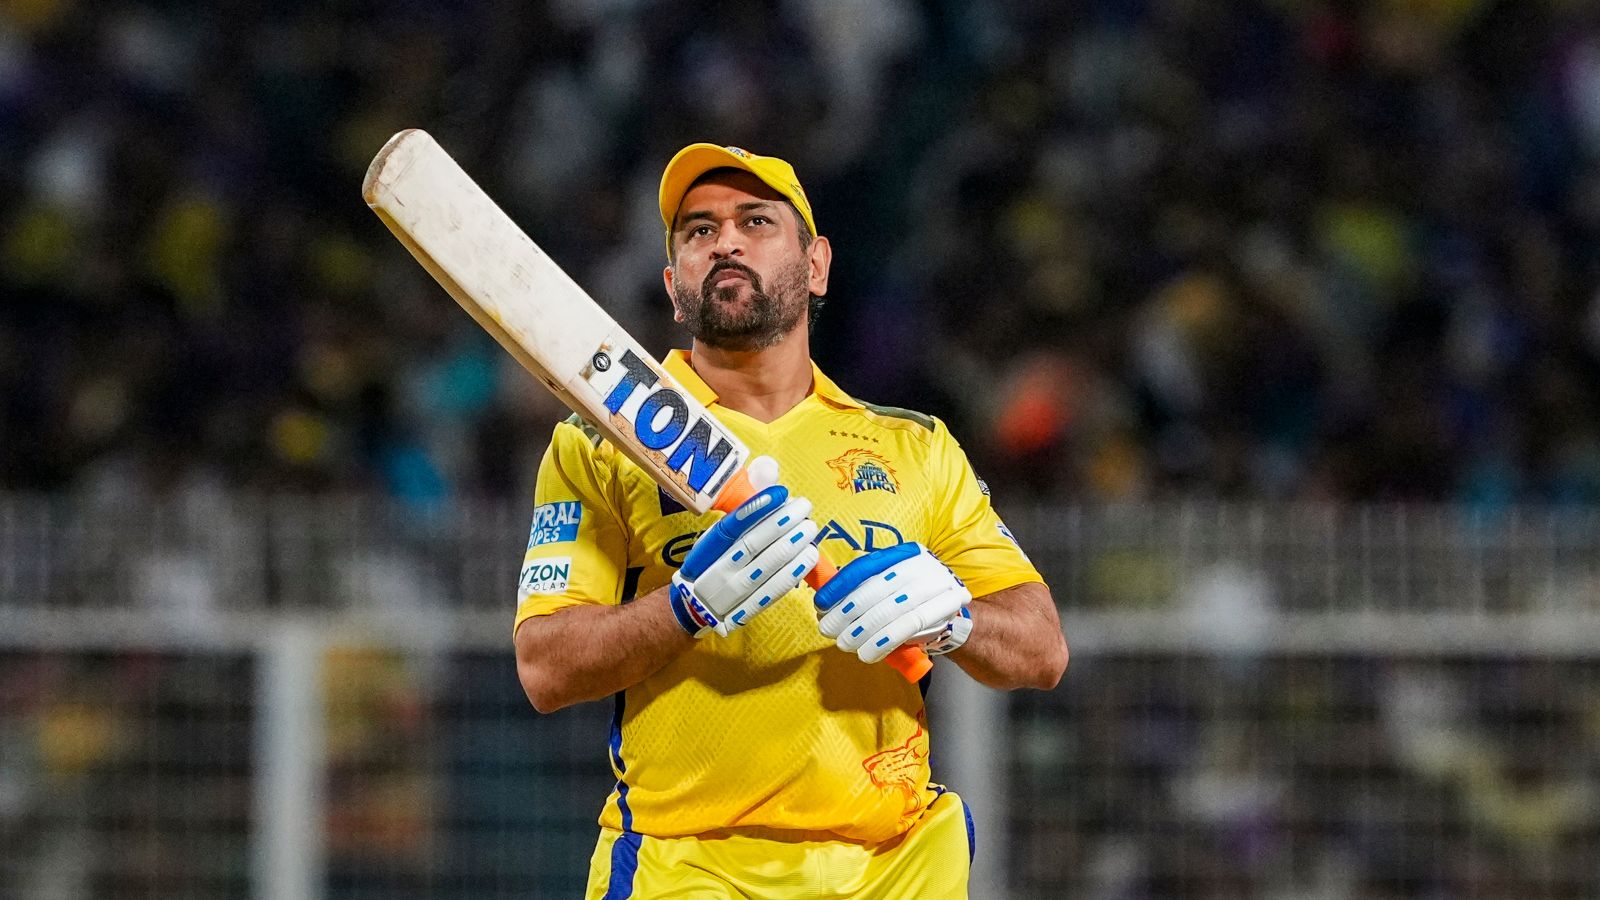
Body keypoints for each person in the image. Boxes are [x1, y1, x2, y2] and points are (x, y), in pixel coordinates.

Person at [513, 143, 1069, 899]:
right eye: (699, 231)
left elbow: (1042, 649)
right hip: (690, 867)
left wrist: (954, 620)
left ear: (817, 266)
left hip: (894, 866)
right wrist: (685, 607)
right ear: (674, 286)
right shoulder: (601, 442)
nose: (726, 242)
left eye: (756, 221)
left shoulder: (914, 446)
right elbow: (544, 668)